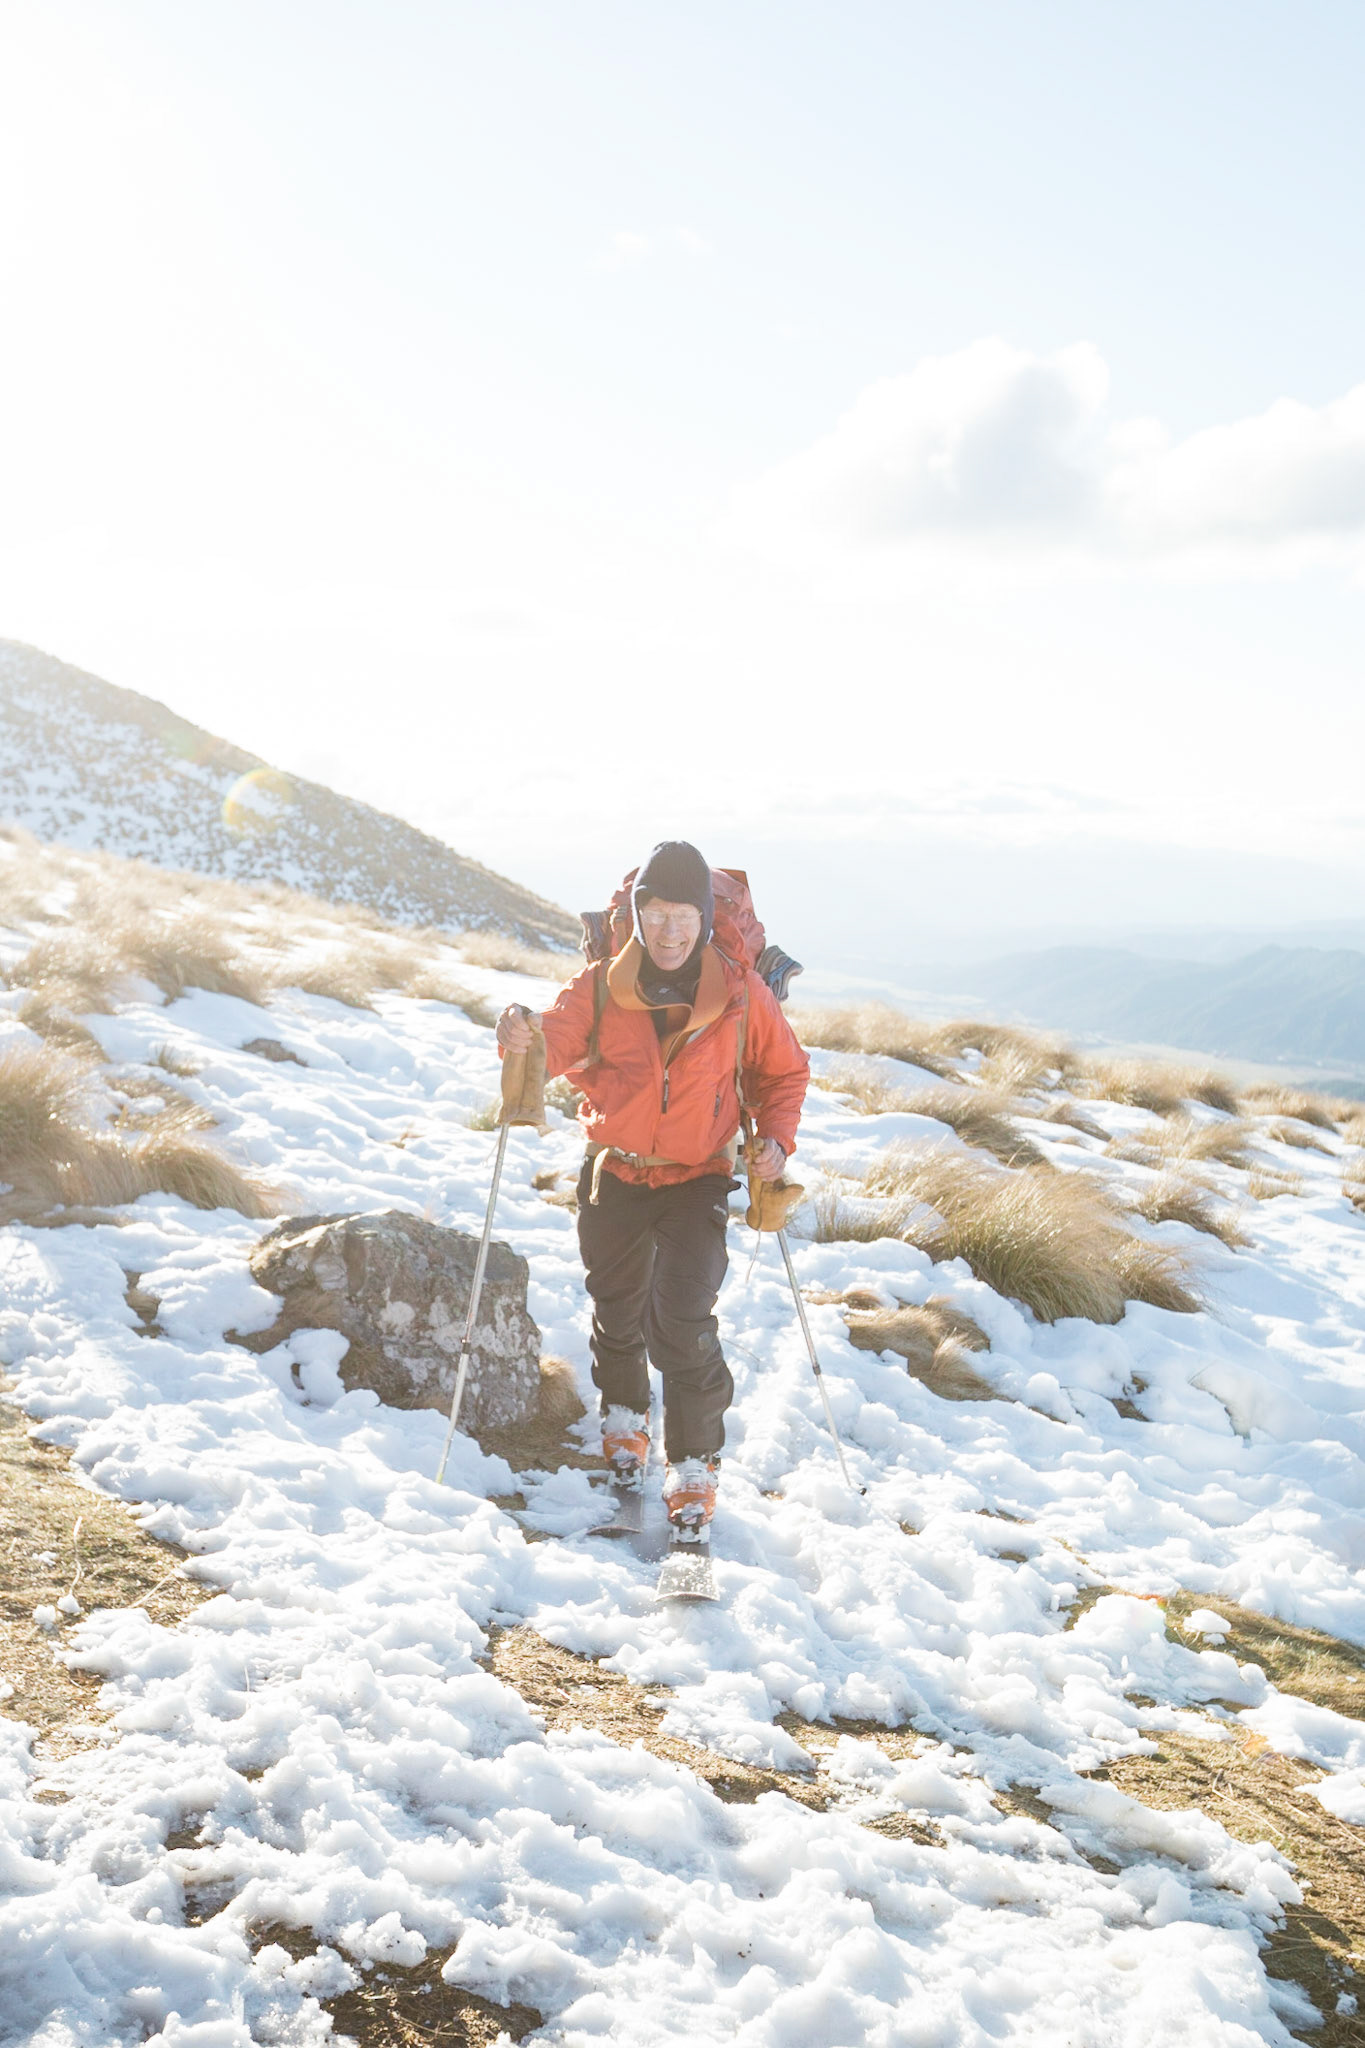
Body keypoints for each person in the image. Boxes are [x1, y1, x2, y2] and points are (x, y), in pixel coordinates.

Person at [497, 840, 808, 1539]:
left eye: (683, 916)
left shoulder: (740, 993)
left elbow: (784, 1073)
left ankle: (694, 1464)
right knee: (617, 1307)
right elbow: (552, 1042)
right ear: (636, 916)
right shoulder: (600, 985)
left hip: (698, 1177)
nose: (669, 931)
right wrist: (520, 1035)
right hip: (614, 1170)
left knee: (682, 1320)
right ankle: (624, 1417)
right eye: (656, 914)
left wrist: (776, 1141)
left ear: (704, 918)